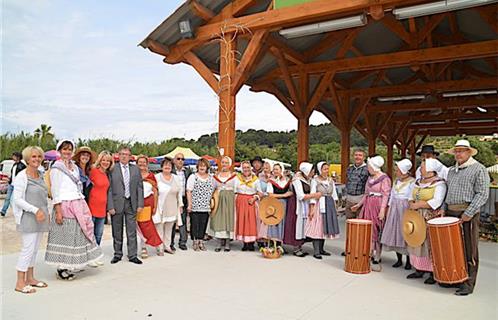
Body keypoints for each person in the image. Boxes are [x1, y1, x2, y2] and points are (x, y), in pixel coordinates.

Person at [45, 139, 103, 279]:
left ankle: (71, 264)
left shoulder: (75, 167)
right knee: (64, 236)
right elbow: (55, 190)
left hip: (77, 202)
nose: (67, 152)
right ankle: (61, 268)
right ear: (59, 150)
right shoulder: (56, 168)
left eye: (69, 149)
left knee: (76, 235)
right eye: (64, 149)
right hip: (64, 204)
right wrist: (58, 211)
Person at [445, 140, 489, 296]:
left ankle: (469, 283)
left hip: (467, 212)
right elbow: (447, 192)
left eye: (462, 151)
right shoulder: (451, 170)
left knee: (469, 248)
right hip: (451, 212)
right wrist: (444, 210)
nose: (458, 154)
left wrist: (469, 213)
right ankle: (457, 278)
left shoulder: (479, 169)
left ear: (469, 152)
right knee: (454, 248)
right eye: (456, 151)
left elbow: (482, 193)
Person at [12, 146, 49, 294]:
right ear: (27, 159)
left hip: (41, 217)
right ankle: (20, 283)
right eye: (33, 157)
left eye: (39, 156)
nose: (37, 159)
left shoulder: (40, 174)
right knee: (27, 249)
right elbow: (17, 199)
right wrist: (35, 210)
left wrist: (45, 211)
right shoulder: (22, 176)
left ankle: (30, 278)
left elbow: (44, 196)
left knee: (34, 250)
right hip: (28, 217)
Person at [406, 158, 446, 285]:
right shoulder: (417, 182)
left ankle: (432, 272)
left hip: (429, 216)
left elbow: (436, 201)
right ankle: (419, 268)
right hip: (416, 215)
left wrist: (418, 205)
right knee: (417, 241)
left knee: (429, 243)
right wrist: (411, 203)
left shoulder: (439, 184)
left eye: (423, 167)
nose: (420, 169)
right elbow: (410, 195)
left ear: (430, 170)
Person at [351, 155, 391, 265]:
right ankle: (369, 251)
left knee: (377, 229)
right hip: (368, 204)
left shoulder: (385, 179)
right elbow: (366, 194)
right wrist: (359, 205)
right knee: (368, 229)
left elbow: (386, 195)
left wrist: (382, 210)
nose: (368, 168)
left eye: (369, 166)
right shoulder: (370, 178)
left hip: (378, 205)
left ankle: (377, 254)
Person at [107, 146, 144, 265]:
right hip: (117, 203)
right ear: (118, 155)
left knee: (131, 231)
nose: (124, 156)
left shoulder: (135, 169)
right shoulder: (112, 168)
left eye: (126, 154)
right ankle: (117, 254)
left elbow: (140, 187)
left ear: (130, 156)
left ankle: (132, 255)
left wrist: (140, 204)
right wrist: (110, 206)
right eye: (122, 154)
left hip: (131, 203)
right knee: (117, 231)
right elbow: (109, 189)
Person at [380, 159, 415, 269]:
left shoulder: (412, 182)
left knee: (406, 233)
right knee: (395, 232)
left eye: (398, 170)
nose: (396, 172)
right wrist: (388, 208)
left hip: (405, 208)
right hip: (394, 208)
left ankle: (409, 260)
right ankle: (399, 259)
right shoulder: (396, 181)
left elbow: (411, 197)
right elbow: (392, 196)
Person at [308, 162, 340, 259]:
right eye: (324, 169)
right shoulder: (315, 180)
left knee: (326, 226)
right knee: (318, 227)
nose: (326, 171)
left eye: (327, 169)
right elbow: (313, 194)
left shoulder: (330, 180)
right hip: (319, 204)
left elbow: (334, 194)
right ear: (319, 170)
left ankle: (322, 249)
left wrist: (335, 207)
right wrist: (312, 209)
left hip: (329, 203)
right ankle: (316, 251)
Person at [87, 150, 113, 267]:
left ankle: (95, 255)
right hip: (92, 207)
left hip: (102, 209)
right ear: (100, 160)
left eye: (108, 160)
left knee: (98, 234)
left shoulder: (108, 174)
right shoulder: (93, 171)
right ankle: (88, 257)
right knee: (90, 234)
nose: (105, 162)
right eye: (103, 160)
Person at [291, 162, 321, 257]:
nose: (313, 172)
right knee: (298, 226)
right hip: (298, 205)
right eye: (312, 170)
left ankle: (300, 247)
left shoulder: (309, 180)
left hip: (306, 204)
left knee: (304, 226)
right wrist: (314, 195)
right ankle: (296, 248)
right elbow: (300, 196)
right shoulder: (297, 180)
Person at [154, 158, 183, 255]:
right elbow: (153, 192)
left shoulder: (175, 178)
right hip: (160, 206)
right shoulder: (157, 177)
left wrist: (181, 205)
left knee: (169, 228)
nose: (167, 167)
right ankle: (160, 247)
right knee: (159, 228)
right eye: (165, 165)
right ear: (162, 166)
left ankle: (167, 246)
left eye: (169, 165)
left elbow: (179, 193)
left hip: (172, 206)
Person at [136, 155, 163, 258]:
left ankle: (157, 244)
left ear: (147, 164)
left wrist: (155, 206)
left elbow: (156, 192)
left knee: (147, 226)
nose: (142, 164)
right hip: (137, 204)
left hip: (148, 203)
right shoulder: (134, 175)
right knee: (140, 227)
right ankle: (144, 247)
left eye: (144, 162)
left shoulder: (151, 176)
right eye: (140, 162)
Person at [186, 158, 215, 251]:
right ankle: (195, 241)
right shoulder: (193, 177)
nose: (202, 167)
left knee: (203, 224)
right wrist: (189, 204)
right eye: (200, 165)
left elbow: (215, 190)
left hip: (206, 206)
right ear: (197, 167)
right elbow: (189, 191)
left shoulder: (211, 177)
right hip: (195, 205)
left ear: (207, 167)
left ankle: (201, 241)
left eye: (204, 165)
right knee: (195, 224)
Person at [235, 161, 263, 251]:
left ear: (250, 168)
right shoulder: (237, 178)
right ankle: (244, 243)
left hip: (251, 201)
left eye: (247, 167)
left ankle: (251, 243)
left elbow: (260, 193)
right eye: (244, 168)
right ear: (241, 169)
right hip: (241, 201)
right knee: (242, 221)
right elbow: (234, 191)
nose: (246, 169)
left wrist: (255, 198)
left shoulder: (256, 179)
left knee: (251, 222)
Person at [210, 156, 237, 252]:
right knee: (219, 219)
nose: (224, 164)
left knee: (228, 219)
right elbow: (212, 188)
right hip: (219, 198)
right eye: (223, 162)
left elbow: (236, 188)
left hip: (230, 198)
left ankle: (227, 243)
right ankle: (218, 242)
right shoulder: (216, 176)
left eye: (226, 162)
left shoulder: (234, 176)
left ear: (230, 164)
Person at [170, 152, 192, 251]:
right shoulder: (170, 171)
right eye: (178, 159)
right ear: (174, 160)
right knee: (172, 221)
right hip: (172, 198)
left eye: (182, 159)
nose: (180, 161)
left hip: (184, 198)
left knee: (183, 221)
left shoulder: (187, 172)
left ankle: (183, 242)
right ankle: (170, 243)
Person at [266, 164, 293, 244]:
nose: (275, 171)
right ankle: (273, 242)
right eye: (274, 169)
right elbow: (270, 195)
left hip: (285, 204)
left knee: (283, 222)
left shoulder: (287, 181)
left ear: (281, 170)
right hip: (274, 204)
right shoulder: (271, 182)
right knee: (274, 221)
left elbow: (291, 192)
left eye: (277, 169)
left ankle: (280, 243)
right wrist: (284, 195)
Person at [344, 149, 369, 219]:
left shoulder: (367, 169)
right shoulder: (349, 168)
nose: (357, 157)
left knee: (360, 224)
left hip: (361, 201)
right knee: (349, 223)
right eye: (356, 155)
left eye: (360, 155)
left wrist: (361, 202)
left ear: (364, 157)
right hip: (349, 200)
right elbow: (347, 183)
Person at [1, 152, 26, 217]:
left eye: (14, 156)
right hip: (11, 184)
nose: (12, 157)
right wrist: (9, 179)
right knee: (7, 198)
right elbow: (13, 174)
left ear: (17, 157)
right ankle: (3, 211)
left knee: (17, 199)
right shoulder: (14, 164)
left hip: (18, 185)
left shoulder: (22, 166)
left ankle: (21, 211)